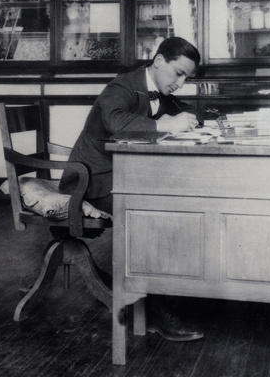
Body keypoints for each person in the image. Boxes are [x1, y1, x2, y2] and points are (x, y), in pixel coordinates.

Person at [60, 36, 204, 342]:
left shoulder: (161, 89)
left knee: (173, 204)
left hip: (123, 175)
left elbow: (186, 111)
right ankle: (154, 309)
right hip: (90, 179)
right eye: (178, 73)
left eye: (186, 78)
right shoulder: (123, 85)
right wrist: (165, 125)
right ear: (159, 61)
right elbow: (114, 119)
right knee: (150, 216)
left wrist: (193, 120)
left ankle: (159, 292)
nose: (180, 83)